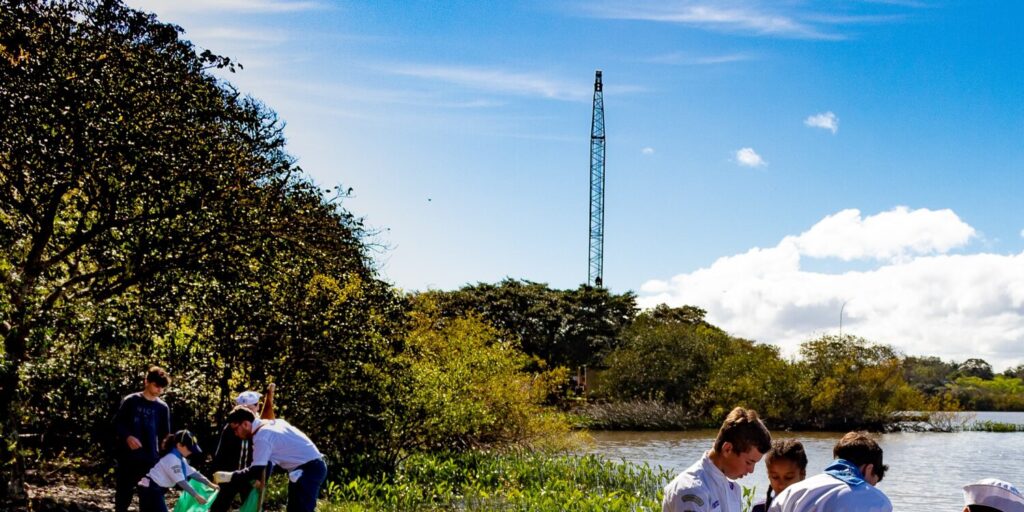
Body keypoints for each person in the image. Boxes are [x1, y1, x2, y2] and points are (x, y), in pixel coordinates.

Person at [215, 406, 327, 512]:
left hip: (309, 470)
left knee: (302, 510)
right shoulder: (274, 423)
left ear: (245, 424)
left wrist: (230, 476)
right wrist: (261, 481)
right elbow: (267, 463)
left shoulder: (262, 436)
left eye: (235, 429)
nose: (235, 434)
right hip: (306, 468)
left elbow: (257, 469)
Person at [663, 407, 772, 512]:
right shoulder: (692, 490)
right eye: (749, 462)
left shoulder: (733, 489)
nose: (751, 470)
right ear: (727, 449)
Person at [768, 431, 891, 512]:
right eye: (873, 482)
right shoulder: (878, 501)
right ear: (868, 469)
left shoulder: (790, 493)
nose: (870, 487)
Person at [113, 366, 171, 512]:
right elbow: (117, 423)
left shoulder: (163, 408)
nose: (159, 390)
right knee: (123, 496)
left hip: (150, 459)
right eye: (156, 385)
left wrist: (167, 458)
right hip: (128, 458)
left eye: (162, 387)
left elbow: (165, 435)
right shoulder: (131, 401)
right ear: (147, 382)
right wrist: (127, 437)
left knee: (148, 498)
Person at [210, 385, 276, 512]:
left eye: (251, 408)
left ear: (257, 407)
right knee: (219, 506)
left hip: (251, 476)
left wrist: (263, 478)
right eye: (243, 409)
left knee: (252, 506)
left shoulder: (262, 429)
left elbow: (270, 456)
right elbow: (220, 453)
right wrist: (215, 474)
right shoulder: (230, 429)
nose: (247, 412)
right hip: (231, 474)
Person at [137, 430, 218, 512]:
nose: (191, 451)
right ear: (179, 445)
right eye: (189, 448)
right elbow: (181, 482)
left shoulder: (180, 458)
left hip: (156, 489)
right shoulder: (172, 459)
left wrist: (210, 484)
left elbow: (194, 474)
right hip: (151, 489)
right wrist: (197, 496)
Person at [751, 439, 807, 512]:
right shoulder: (760, 509)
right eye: (775, 477)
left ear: (802, 474)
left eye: (788, 477)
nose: (781, 485)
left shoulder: (814, 507)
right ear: (769, 475)